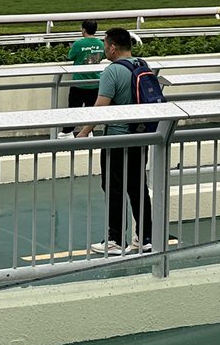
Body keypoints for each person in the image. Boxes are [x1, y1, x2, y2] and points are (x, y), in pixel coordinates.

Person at [75, 27, 155, 255]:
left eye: (105, 45)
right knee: (138, 187)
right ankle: (145, 237)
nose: (104, 50)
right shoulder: (142, 64)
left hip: (117, 140)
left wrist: (83, 132)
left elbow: (101, 107)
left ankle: (116, 240)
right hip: (141, 137)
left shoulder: (111, 72)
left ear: (112, 46)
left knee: (114, 188)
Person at [59, 20, 105, 137]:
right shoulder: (100, 44)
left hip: (79, 83)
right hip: (95, 83)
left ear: (84, 30)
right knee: (91, 110)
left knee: (73, 110)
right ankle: (88, 132)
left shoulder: (78, 44)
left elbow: (70, 56)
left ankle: (67, 132)